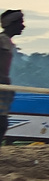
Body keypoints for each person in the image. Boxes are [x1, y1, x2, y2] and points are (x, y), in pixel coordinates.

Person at [0, 9, 20, 144]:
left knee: (2, 123)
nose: (23, 26)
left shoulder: (7, 42)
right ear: (11, 24)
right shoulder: (2, 41)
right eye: (20, 22)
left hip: (3, 87)